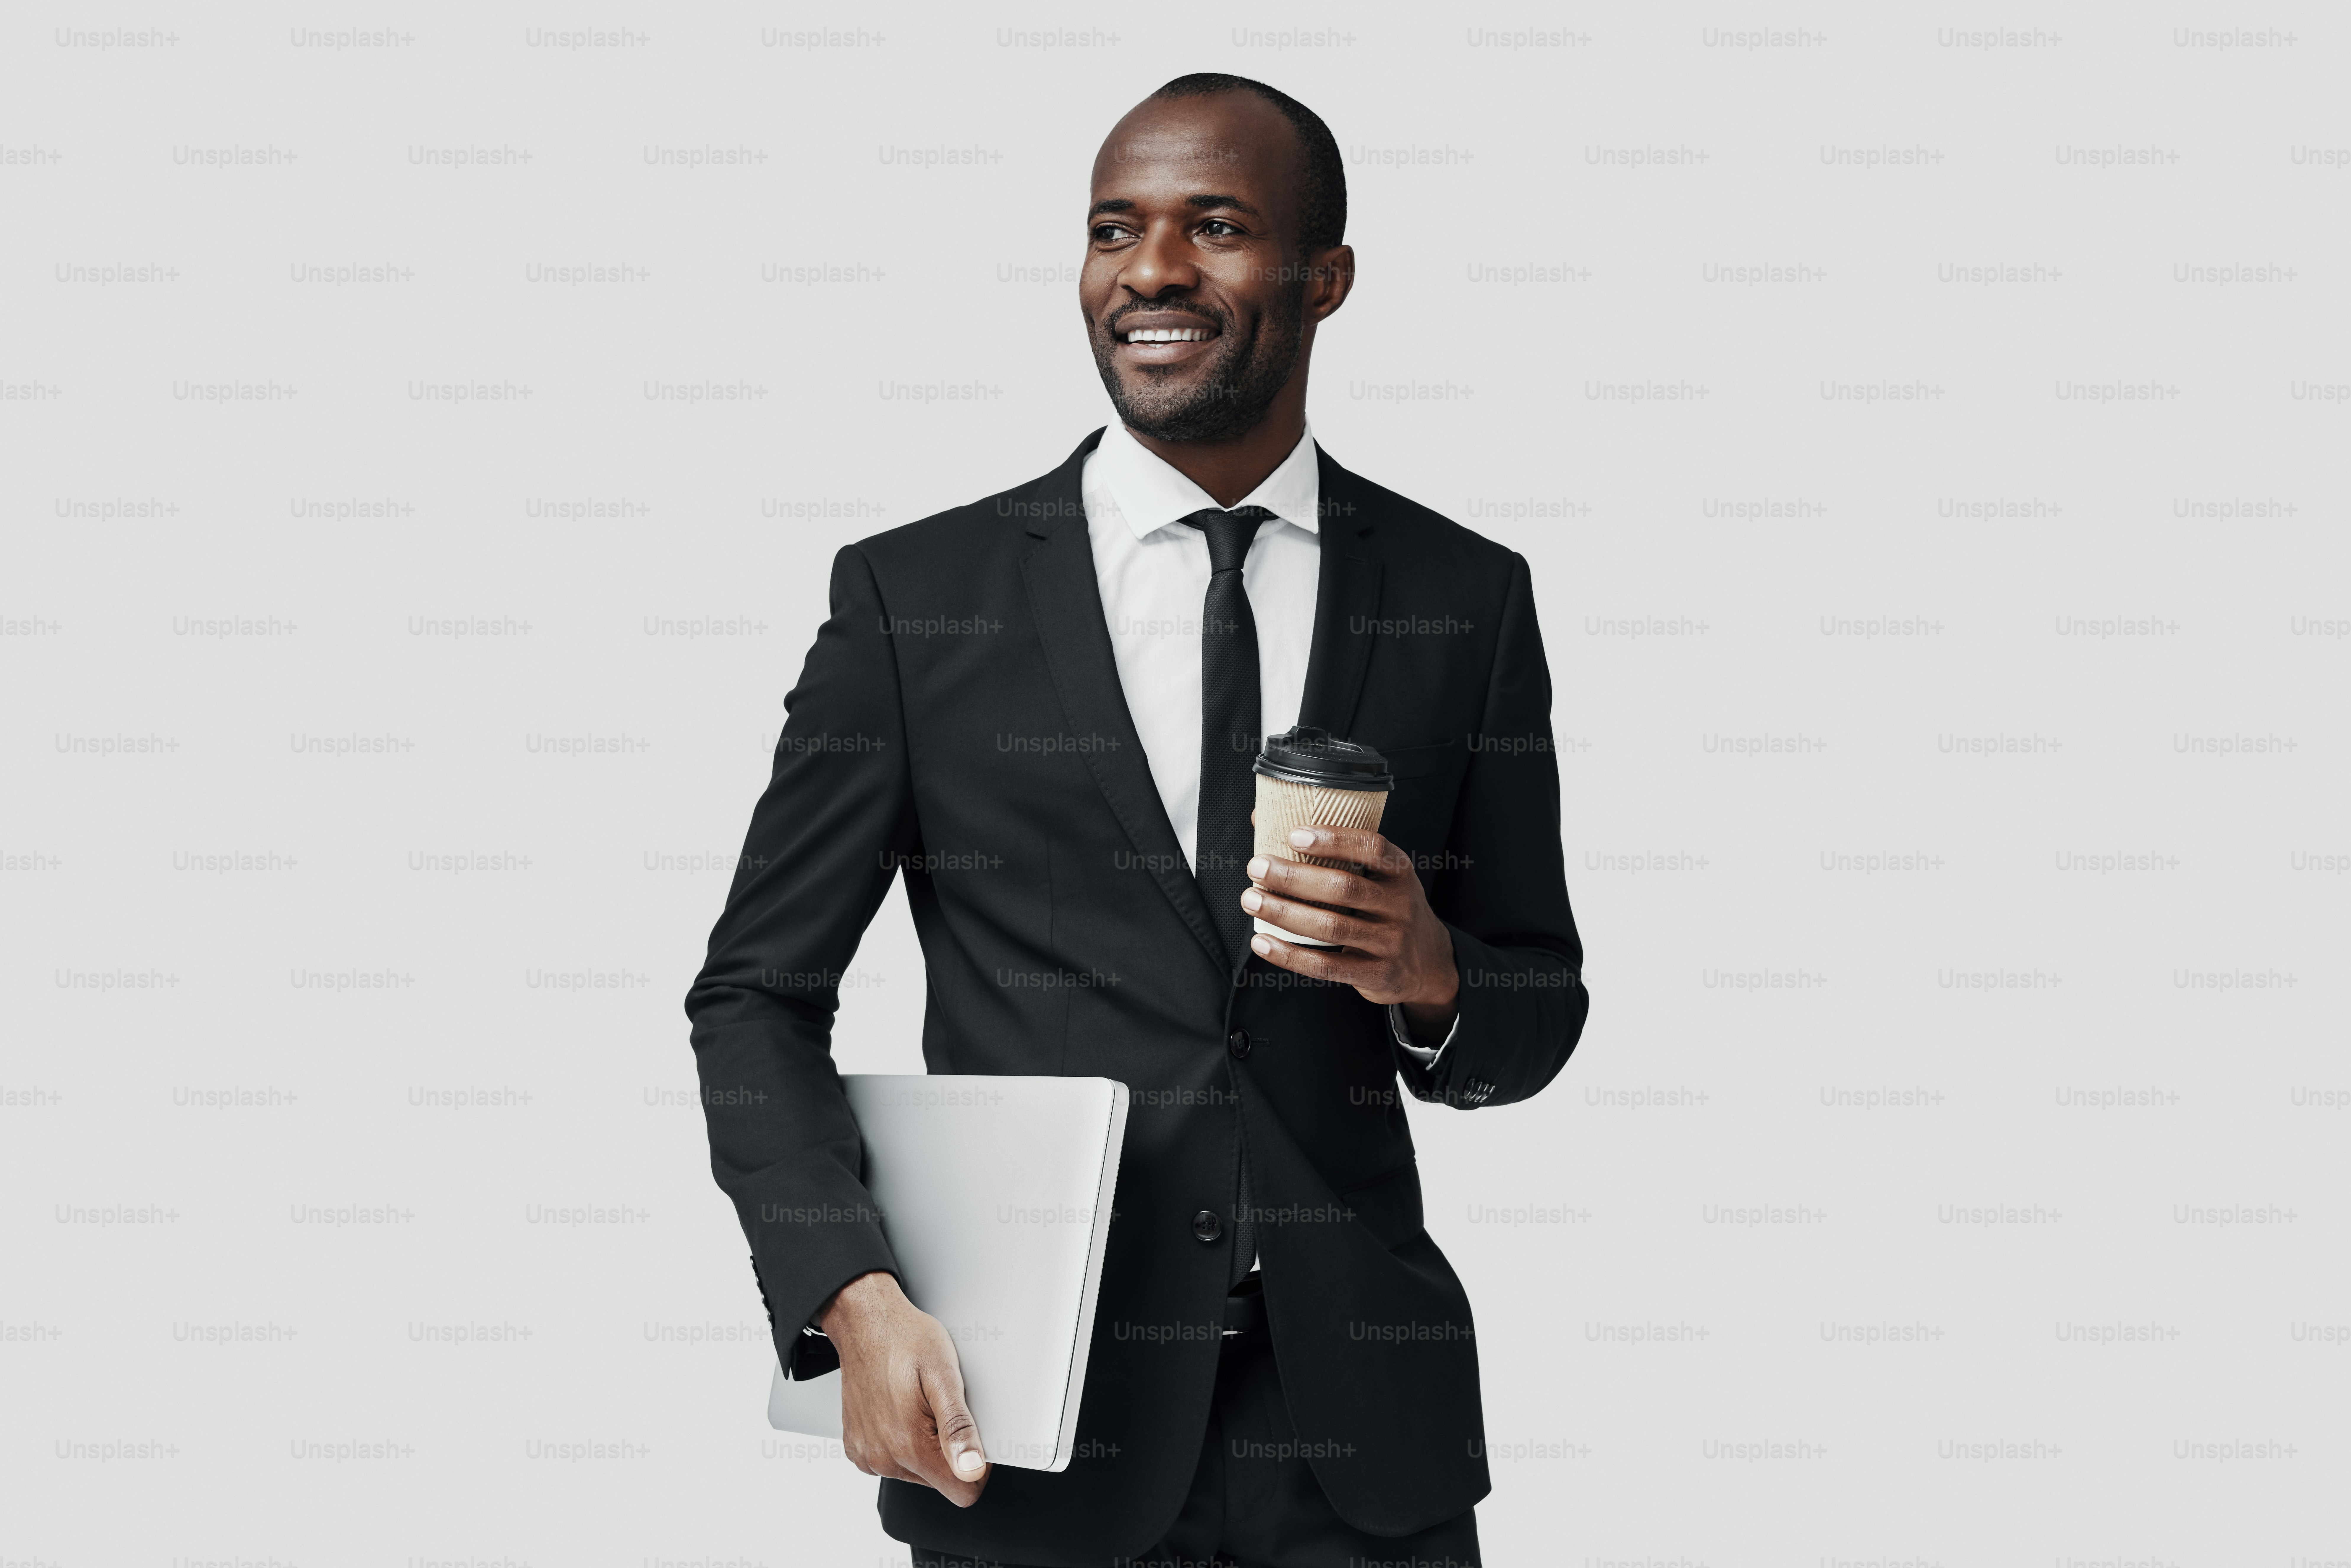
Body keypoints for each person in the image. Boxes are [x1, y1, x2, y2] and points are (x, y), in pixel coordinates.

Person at [685, 73, 1589, 1568]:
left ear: (1326, 278)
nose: (1152, 269)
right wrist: (845, 1290)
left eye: (1214, 226)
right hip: (1029, 1441)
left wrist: (1431, 973)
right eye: (1115, 229)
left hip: (1364, 1456)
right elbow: (753, 996)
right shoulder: (917, 605)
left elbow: (1535, 1009)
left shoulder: (1461, 597)